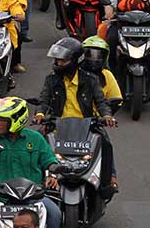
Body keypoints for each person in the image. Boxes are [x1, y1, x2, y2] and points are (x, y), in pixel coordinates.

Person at [34, 38, 117, 194]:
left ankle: (109, 180)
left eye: (62, 60)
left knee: (105, 142)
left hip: (86, 126)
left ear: (74, 60)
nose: (57, 63)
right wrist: (40, 114)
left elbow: (101, 102)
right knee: (36, 142)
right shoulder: (51, 79)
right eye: (56, 60)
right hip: (57, 125)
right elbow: (44, 99)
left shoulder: (90, 80)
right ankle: (37, 181)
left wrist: (107, 116)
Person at [0, 96, 61, 228]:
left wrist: (52, 176)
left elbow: (50, 161)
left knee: (55, 213)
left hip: (32, 197)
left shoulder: (36, 138)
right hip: (0, 197)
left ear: (15, 120)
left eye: (2, 119)